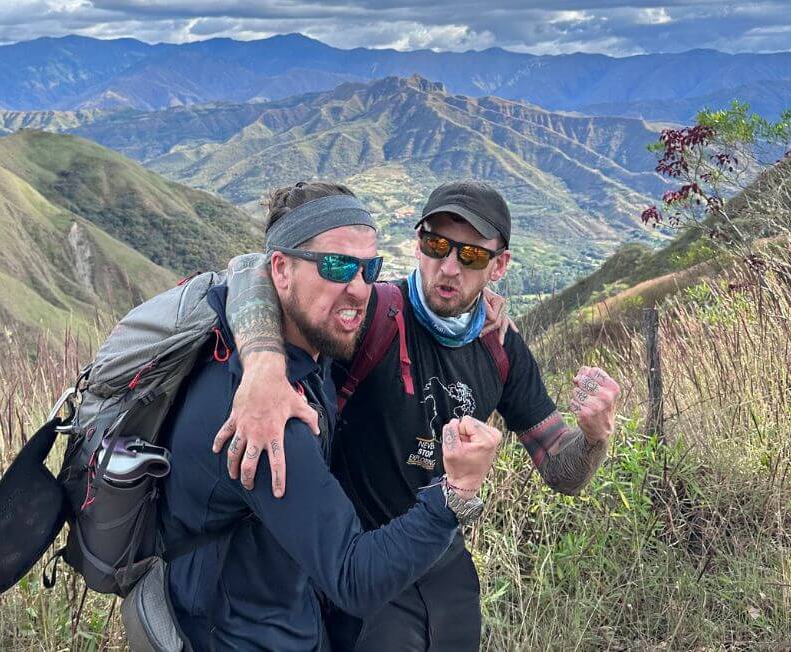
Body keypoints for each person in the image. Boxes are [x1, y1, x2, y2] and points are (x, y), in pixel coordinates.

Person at [215, 179, 621, 650]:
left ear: (499, 266)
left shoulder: (500, 345)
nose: (448, 267)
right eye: (436, 244)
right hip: (365, 568)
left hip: (446, 571)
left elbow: (559, 466)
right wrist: (263, 365)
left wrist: (593, 438)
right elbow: (253, 272)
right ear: (418, 243)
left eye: (470, 255)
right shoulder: (371, 313)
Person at [158, 180, 506, 651]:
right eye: (338, 266)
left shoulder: (307, 349)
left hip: (285, 615)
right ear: (281, 271)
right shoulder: (266, 418)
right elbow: (354, 579)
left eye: (368, 268)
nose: (359, 289)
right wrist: (456, 493)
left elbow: (247, 269)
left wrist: (468, 305)